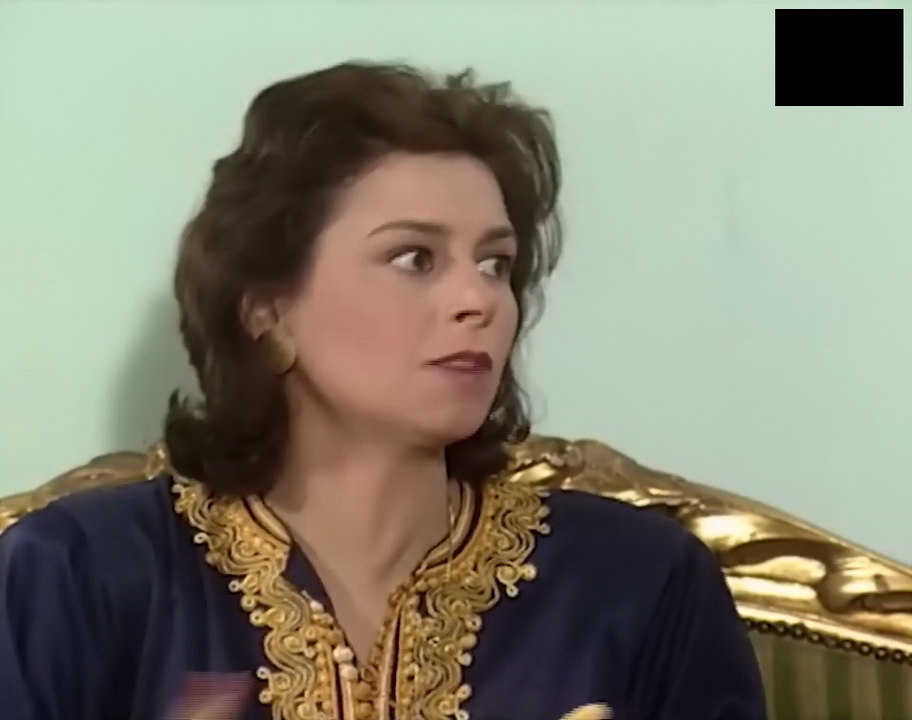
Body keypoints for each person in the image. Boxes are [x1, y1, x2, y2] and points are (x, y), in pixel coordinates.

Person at [0, 62, 766, 720]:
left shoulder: (638, 585)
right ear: (267, 307)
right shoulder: (80, 573)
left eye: (496, 264)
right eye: (414, 258)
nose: (478, 299)